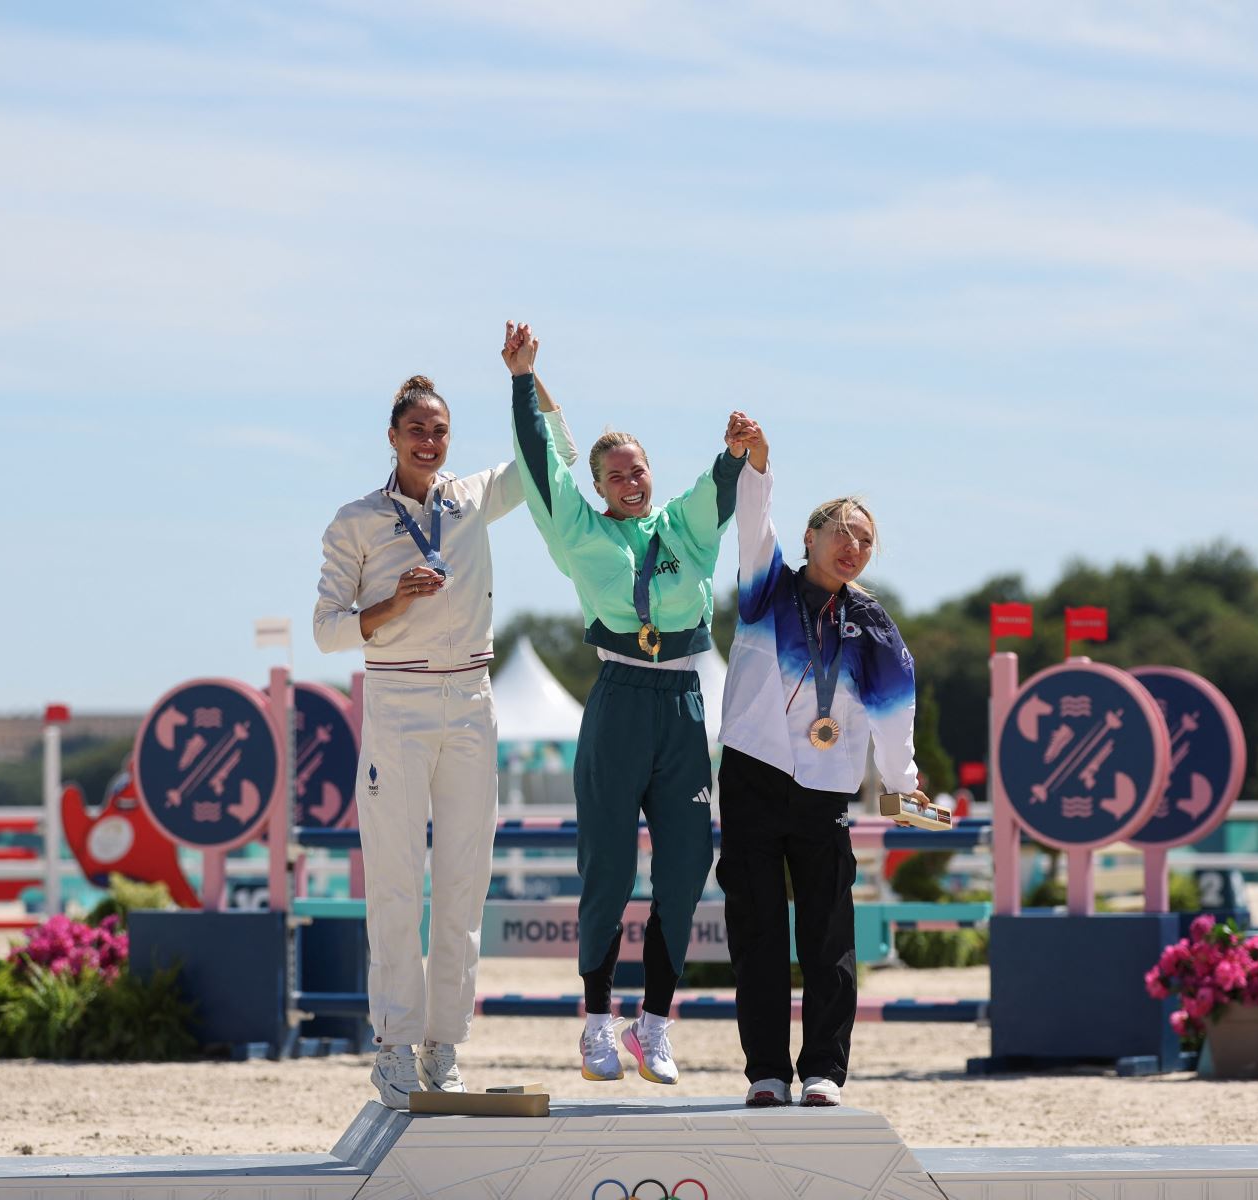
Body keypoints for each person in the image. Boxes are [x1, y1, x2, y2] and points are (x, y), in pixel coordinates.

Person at [312, 333, 576, 1109]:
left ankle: (443, 1047)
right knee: (395, 882)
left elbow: (550, 451)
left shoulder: (469, 499)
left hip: (471, 700)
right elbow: (327, 629)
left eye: (440, 431)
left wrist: (527, 378)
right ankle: (393, 1046)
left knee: (464, 884)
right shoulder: (356, 521)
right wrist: (393, 601)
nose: (430, 441)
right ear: (392, 437)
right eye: (417, 430)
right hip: (394, 700)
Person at [506, 325, 745, 1085]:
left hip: (682, 704)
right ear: (601, 485)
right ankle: (597, 1023)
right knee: (606, 865)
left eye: (636, 469)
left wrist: (734, 450)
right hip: (616, 700)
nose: (628, 481)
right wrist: (523, 381)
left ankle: (654, 1024)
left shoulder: (681, 530)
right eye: (614, 474)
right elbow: (542, 465)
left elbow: (720, 488)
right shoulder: (577, 532)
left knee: (685, 863)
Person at [714, 413, 923, 1108]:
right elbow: (753, 518)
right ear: (811, 538)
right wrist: (759, 462)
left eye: (866, 539)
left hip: (824, 791)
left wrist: (903, 788)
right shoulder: (764, 587)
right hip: (750, 774)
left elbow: (896, 715)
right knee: (758, 934)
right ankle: (767, 1073)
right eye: (843, 531)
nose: (854, 545)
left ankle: (824, 1072)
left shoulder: (872, 625)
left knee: (829, 938)